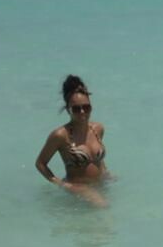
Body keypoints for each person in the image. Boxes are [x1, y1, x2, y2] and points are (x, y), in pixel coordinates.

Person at [35, 75, 109, 207]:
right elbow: (40, 163)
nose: (82, 112)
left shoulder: (98, 129)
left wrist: (107, 174)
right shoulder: (60, 135)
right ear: (68, 109)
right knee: (104, 208)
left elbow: (97, 159)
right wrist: (63, 185)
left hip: (101, 184)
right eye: (76, 109)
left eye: (86, 107)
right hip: (80, 189)